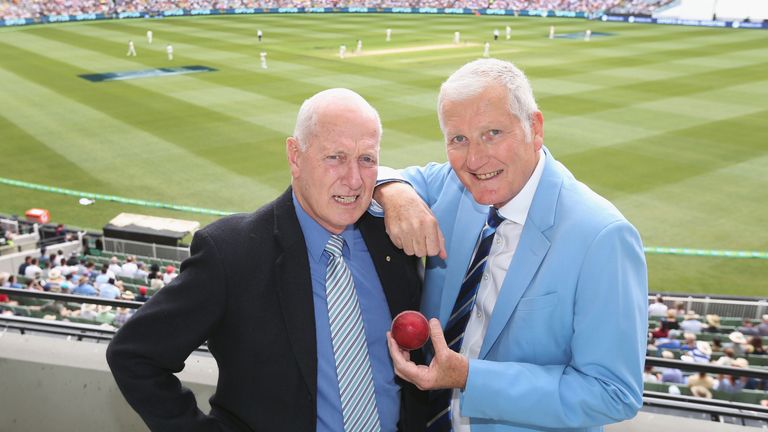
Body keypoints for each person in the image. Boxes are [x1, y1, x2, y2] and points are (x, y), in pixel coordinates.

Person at [106, 88, 427, 431]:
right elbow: (134, 354)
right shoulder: (232, 252)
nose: (353, 179)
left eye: (367, 159)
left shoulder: (393, 240)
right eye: (335, 157)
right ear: (295, 155)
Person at [374, 59, 647, 431]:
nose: (474, 159)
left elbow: (613, 392)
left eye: (493, 133)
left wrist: (471, 377)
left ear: (534, 128)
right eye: (458, 139)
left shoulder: (603, 236)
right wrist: (395, 193)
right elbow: (388, 175)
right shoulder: (453, 187)